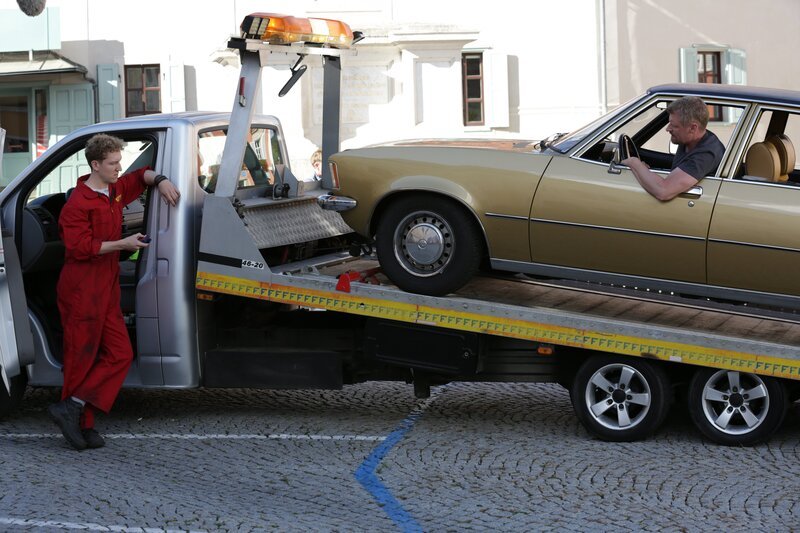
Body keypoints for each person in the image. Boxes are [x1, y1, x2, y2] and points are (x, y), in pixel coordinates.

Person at [47, 134, 180, 451]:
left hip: (104, 286)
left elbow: (140, 176)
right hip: (81, 287)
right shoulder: (77, 204)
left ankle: (74, 407)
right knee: (80, 359)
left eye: (119, 161)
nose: (119, 168)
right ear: (95, 165)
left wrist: (160, 180)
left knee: (120, 353)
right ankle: (82, 424)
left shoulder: (114, 189)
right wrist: (124, 244)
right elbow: (80, 248)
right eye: (113, 163)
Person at [622, 96, 725, 201]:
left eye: (674, 125)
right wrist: (642, 169)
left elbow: (663, 191)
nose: (667, 129)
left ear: (693, 128)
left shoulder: (705, 155)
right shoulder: (690, 139)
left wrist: (634, 163)